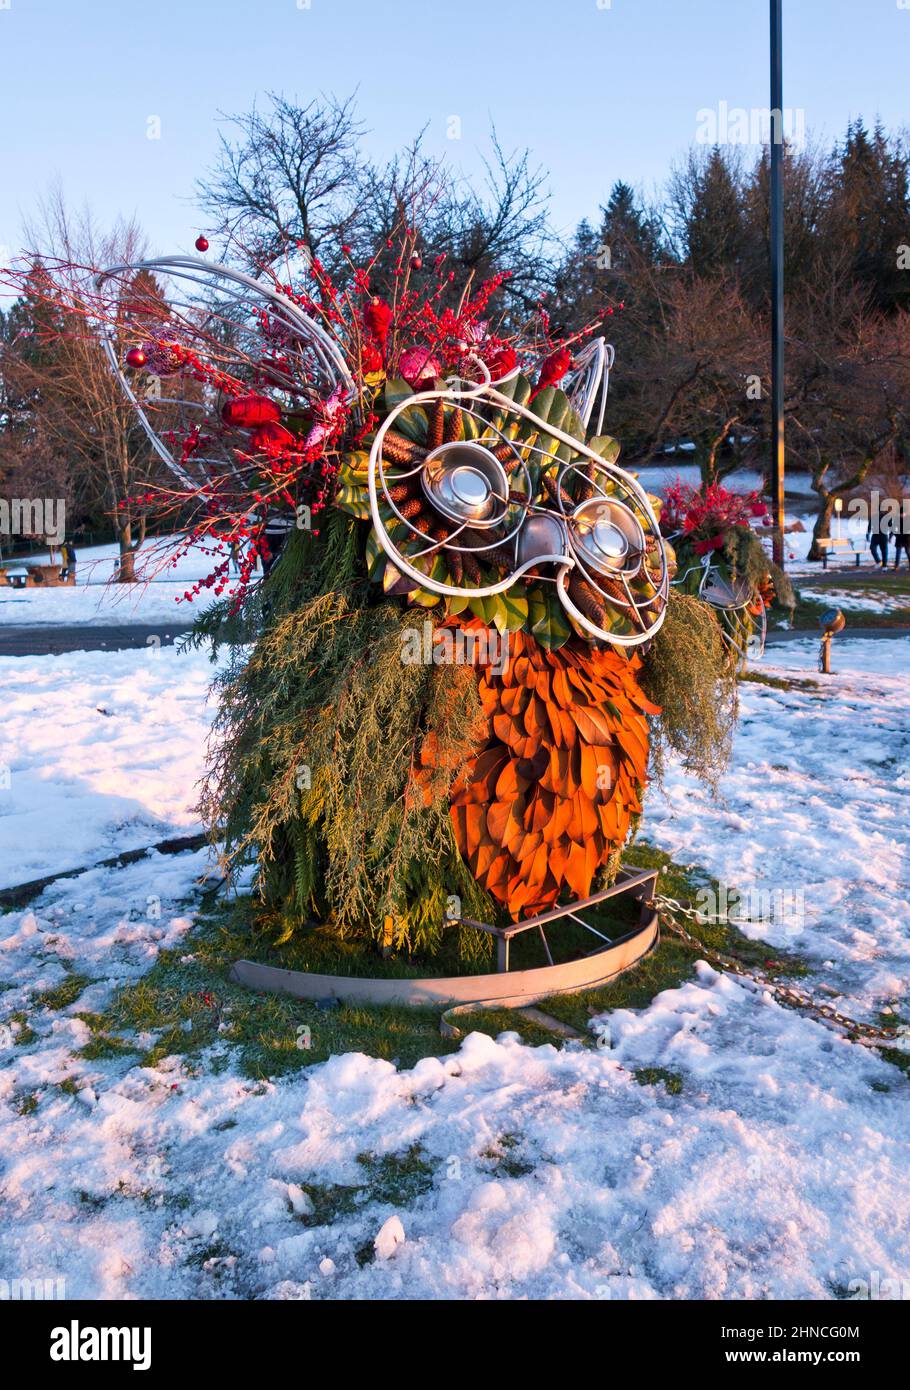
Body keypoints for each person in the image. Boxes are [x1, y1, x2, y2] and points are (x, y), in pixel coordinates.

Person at [893, 505, 910, 571]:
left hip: (907, 538)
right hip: (899, 538)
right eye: (900, 514)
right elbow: (893, 528)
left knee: (908, 552)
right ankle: (896, 566)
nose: (901, 515)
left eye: (902, 513)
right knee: (898, 552)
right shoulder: (897, 519)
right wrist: (896, 535)